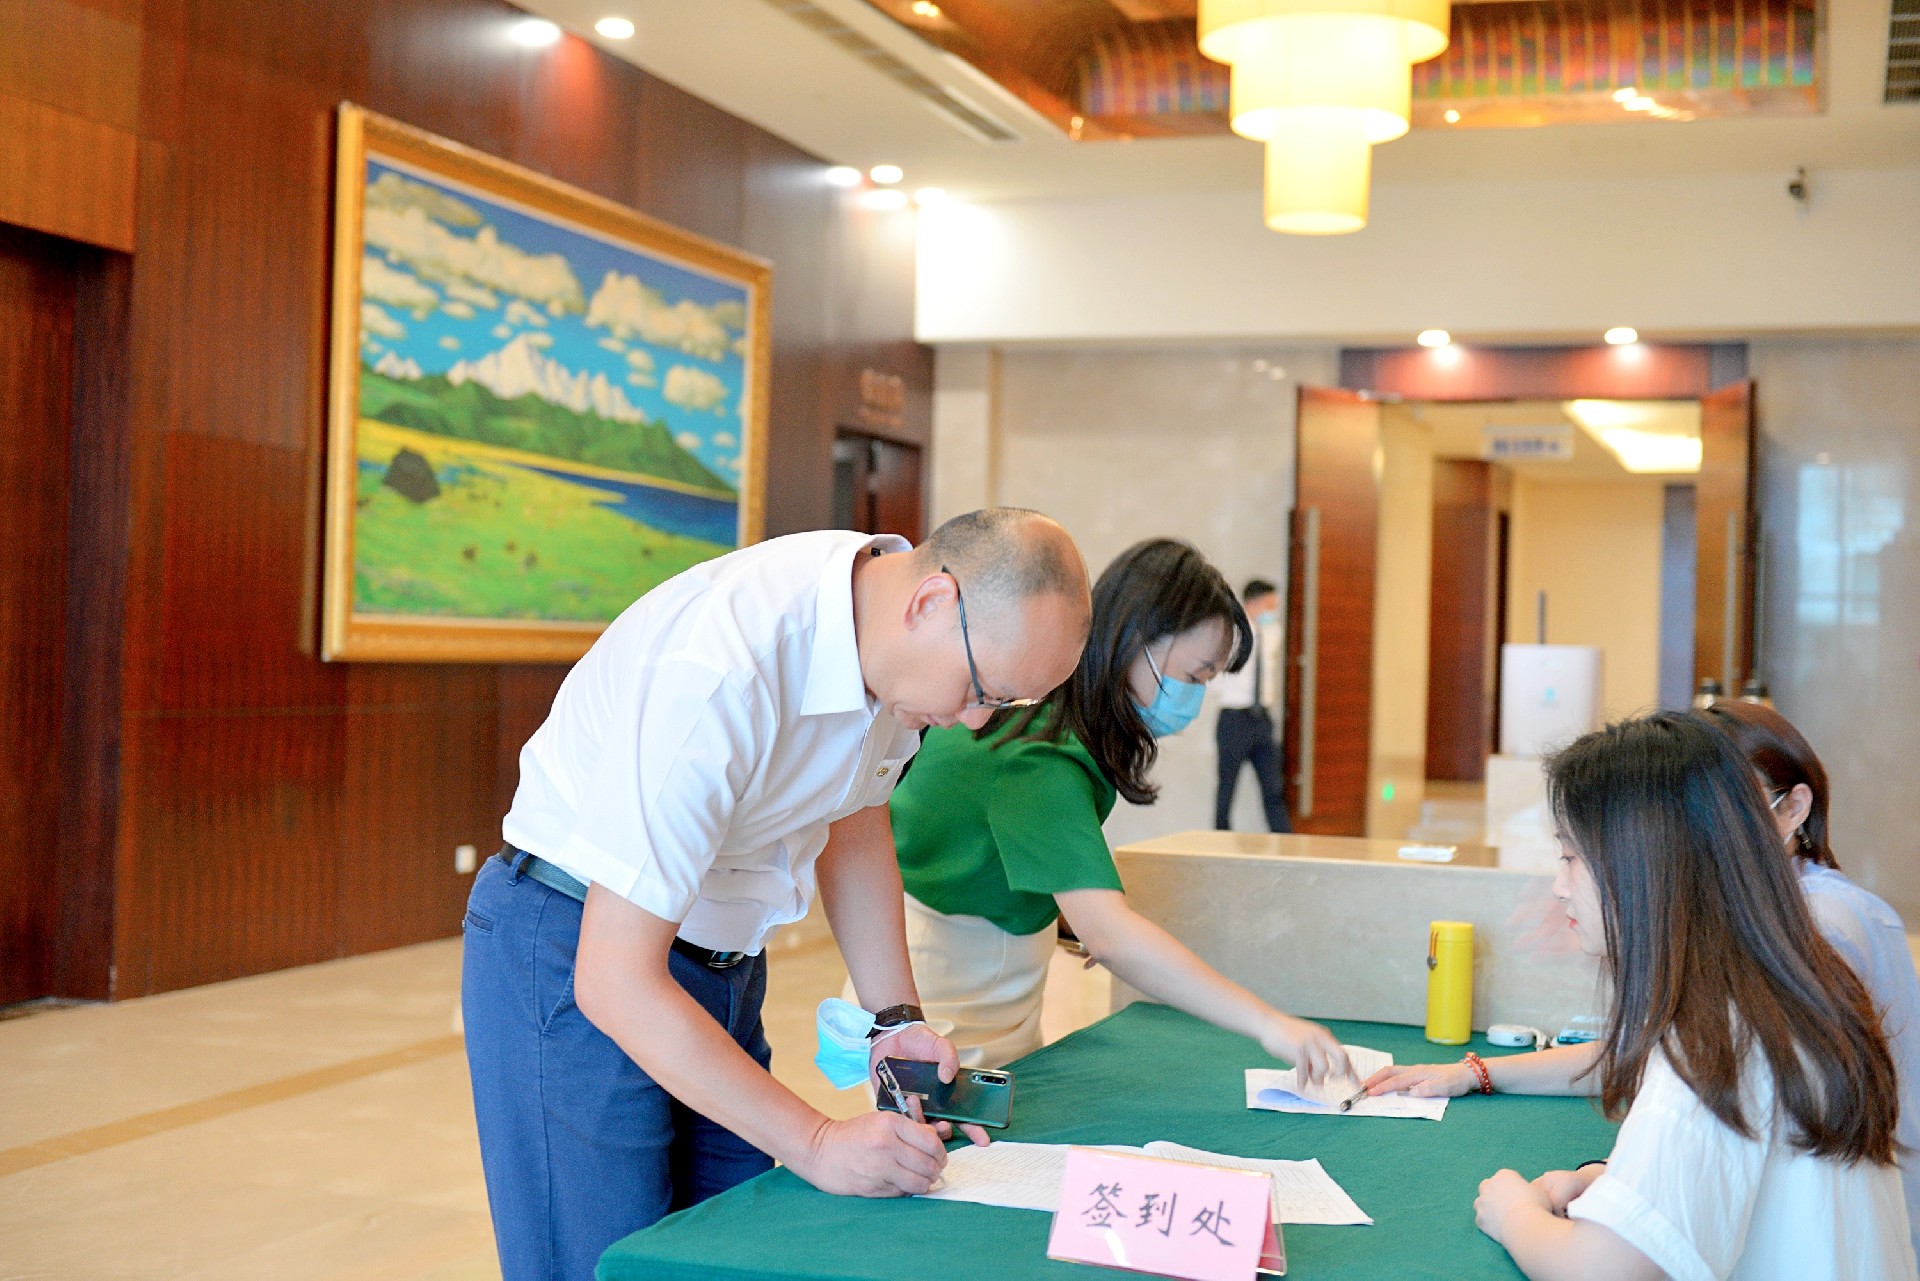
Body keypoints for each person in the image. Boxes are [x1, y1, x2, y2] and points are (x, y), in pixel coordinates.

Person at [462, 509, 1091, 1280]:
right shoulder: (723, 666)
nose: (973, 719)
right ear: (931, 602)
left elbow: (856, 819)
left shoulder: (883, 643)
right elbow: (614, 978)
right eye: (981, 688)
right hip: (574, 953)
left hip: (721, 966)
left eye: (1006, 704)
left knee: (725, 1252)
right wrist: (818, 1141)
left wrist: (895, 1020)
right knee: (604, 1262)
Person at [1365, 701, 1920, 1260]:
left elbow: (1604, 1269)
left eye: (1571, 857)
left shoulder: (1717, 1039)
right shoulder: (1768, 986)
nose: (1559, 887)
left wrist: (1512, 1212)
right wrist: (1611, 1182)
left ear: (1646, 866)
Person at [878, 538, 1347, 1078]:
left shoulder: (1059, 722)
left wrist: (1071, 915)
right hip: (946, 1002)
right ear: (1133, 640)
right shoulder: (1036, 753)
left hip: (990, 981)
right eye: (1194, 676)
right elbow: (1110, 935)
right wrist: (1270, 1024)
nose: (1195, 698)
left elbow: (999, 851)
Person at [1213, 577, 1290, 832]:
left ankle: (1285, 841)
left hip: (1262, 718)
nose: (1273, 611)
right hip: (1234, 718)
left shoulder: (1273, 633)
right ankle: (1220, 841)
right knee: (1227, 788)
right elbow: (1215, 676)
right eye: (1269, 605)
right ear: (1253, 603)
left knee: (1273, 788)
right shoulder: (1232, 634)